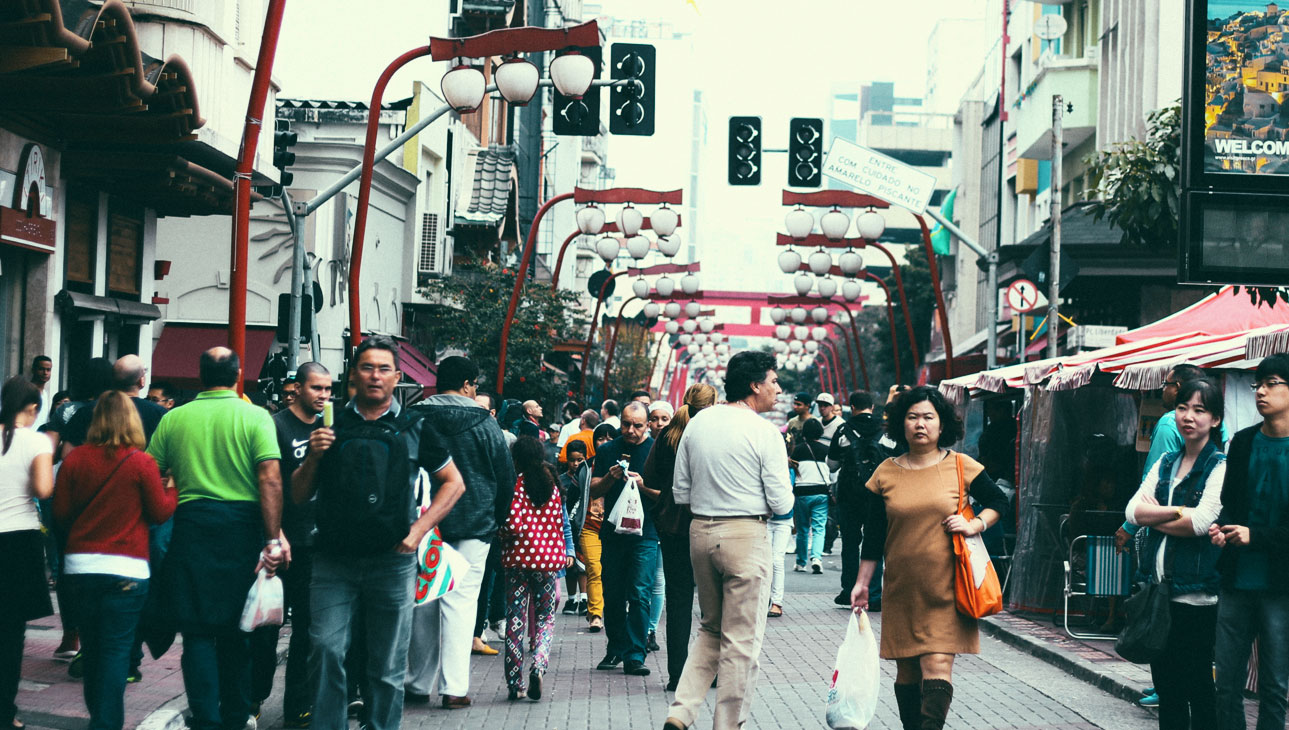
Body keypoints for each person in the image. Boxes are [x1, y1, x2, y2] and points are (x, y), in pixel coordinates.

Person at [292, 337, 464, 730]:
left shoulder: (415, 426)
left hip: (393, 562)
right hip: (332, 561)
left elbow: (453, 483)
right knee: (324, 649)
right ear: (353, 374)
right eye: (367, 367)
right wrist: (314, 455)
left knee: (387, 664)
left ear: (397, 377)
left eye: (384, 369)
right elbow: (299, 495)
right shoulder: (331, 423)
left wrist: (419, 531)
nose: (375, 375)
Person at [850, 385, 1010, 730]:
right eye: (912, 417)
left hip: (949, 587)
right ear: (901, 424)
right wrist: (862, 584)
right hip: (902, 589)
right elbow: (874, 536)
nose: (920, 424)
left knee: (937, 666)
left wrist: (975, 524)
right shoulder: (885, 472)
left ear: (942, 425)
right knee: (906, 671)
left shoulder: (961, 466)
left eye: (928, 417)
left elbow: (1001, 503)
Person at [146, 347, 286, 730]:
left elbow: (152, 472)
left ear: (201, 375)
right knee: (237, 629)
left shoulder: (175, 418)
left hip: (191, 525)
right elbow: (270, 478)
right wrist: (272, 538)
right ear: (238, 375)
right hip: (241, 527)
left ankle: (205, 718)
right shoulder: (255, 416)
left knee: (196, 631)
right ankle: (236, 714)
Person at [664, 352, 793, 730]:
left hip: (700, 532)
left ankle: (682, 711)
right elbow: (782, 502)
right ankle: (727, 724)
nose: (777, 388)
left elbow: (680, 491)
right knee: (741, 641)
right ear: (755, 385)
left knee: (710, 627)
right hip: (745, 535)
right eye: (773, 380)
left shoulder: (698, 423)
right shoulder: (765, 432)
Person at [53, 392, 177, 730]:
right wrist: (173, 488)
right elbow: (159, 512)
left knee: (92, 649)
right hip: (127, 570)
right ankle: (105, 724)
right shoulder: (141, 463)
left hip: (81, 569)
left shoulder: (75, 460)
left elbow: (60, 514)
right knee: (116, 653)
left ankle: (99, 718)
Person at [405, 356, 515, 709]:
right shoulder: (485, 422)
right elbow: (505, 477)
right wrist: (496, 520)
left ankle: (417, 683)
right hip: (474, 523)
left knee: (423, 602)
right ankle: (454, 688)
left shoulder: (415, 416)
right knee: (462, 604)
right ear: (468, 384)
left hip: (424, 525)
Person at [1125, 379, 1225, 730]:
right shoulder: (1166, 461)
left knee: (1197, 687)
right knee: (1167, 691)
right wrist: (1176, 512)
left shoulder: (1219, 466)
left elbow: (1201, 522)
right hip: (1159, 592)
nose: (1188, 416)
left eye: (1199, 410)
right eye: (1183, 408)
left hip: (1196, 598)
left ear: (1214, 419)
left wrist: (1158, 513)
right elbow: (1131, 512)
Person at [248, 363, 331, 728]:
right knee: (266, 628)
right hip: (282, 543)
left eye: (328, 389)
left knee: (309, 633)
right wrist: (276, 532)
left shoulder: (330, 428)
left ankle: (298, 704)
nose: (324, 396)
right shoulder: (276, 425)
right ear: (296, 388)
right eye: (316, 388)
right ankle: (253, 699)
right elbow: (266, 482)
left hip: (317, 546)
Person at [1210, 353, 1289, 730]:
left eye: (1272, 383)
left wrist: (1255, 536)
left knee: (1274, 685)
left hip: (1280, 585)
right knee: (1226, 682)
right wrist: (1221, 529)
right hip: (1236, 579)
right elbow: (1229, 505)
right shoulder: (1241, 443)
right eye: (1258, 384)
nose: (1260, 391)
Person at [641, 383, 715, 691]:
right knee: (716, 604)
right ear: (714, 404)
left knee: (678, 600)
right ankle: (714, 673)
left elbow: (650, 476)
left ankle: (676, 675)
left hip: (673, 526)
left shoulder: (669, 435)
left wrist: (664, 505)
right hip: (711, 521)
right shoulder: (715, 433)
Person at [500, 437, 575, 701]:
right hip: (547, 562)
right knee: (545, 618)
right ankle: (539, 665)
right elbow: (559, 522)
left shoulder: (516, 485)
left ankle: (514, 683)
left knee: (516, 621)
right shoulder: (552, 485)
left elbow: (513, 525)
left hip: (518, 562)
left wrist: (500, 533)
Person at [0, 377, 53, 730]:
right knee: (10, 633)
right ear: (32, 408)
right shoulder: (36, 440)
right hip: (18, 541)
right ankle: (5, 713)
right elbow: (43, 489)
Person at [590, 402, 656, 676]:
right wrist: (609, 478)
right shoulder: (607, 450)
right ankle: (615, 647)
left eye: (637, 425)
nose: (630, 430)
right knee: (613, 593)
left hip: (646, 533)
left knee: (640, 593)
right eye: (626, 424)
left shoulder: (656, 451)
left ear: (648, 424)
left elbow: (668, 493)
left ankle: (636, 654)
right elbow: (593, 489)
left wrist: (643, 486)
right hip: (613, 533)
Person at [828, 390, 888, 609]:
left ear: (852, 407)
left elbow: (832, 464)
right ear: (872, 407)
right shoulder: (885, 430)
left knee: (850, 543)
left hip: (850, 494)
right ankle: (873, 594)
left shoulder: (843, 430)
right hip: (878, 495)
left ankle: (849, 590)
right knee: (876, 540)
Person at [580, 423, 618, 633]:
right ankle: (595, 614)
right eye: (600, 439)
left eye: (610, 438)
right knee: (594, 569)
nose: (605, 443)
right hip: (590, 524)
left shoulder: (624, 466)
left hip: (614, 526)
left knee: (612, 572)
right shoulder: (586, 467)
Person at [791, 418, 831, 575]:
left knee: (802, 529)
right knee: (819, 528)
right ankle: (816, 559)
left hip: (802, 493)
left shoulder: (798, 450)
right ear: (820, 433)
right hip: (821, 492)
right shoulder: (827, 450)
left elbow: (793, 472)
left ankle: (801, 563)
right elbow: (832, 472)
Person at [559, 440, 590, 617]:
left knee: (583, 564)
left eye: (580, 460)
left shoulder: (586, 477)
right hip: (567, 526)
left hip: (582, 525)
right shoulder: (562, 479)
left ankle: (584, 598)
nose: (576, 464)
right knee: (570, 564)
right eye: (572, 460)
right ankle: (571, 598)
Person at [29, 356, 52, 430]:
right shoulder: (26, 391)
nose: (45, 373)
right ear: (33, 370)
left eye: (48, 370)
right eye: (41, 369)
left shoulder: (45, 394)